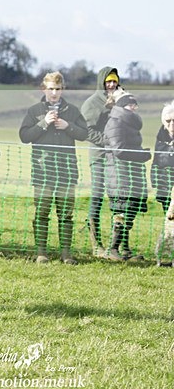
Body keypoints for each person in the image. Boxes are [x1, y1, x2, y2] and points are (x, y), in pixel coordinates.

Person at [19, 72, 88, 264]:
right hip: (43, 172)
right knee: (42, 212)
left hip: (67, 172)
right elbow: (24, 136)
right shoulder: (34, 111)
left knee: (65, 213)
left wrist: (68, 126)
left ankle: (66, 254)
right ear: (44, 89)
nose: (54, 93)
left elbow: (84, 134)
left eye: (57, 89)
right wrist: (43, 123)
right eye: (50, 89)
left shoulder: (73, 111)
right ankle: (41, 253)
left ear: (62, 89)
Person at [103, 92, 150, 261]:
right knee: (121, 211)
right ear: (122, 106)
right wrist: (143, 155)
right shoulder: (115, 122)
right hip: (119, 173)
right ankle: (113, 249)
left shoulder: (129, 122)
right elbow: (120, 150)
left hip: (131, 173)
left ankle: (125, 249)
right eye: (131, 105)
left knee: (130, 211)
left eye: (135, 105)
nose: (134, 108)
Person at [80, 67, 122, 255]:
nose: (111, 85)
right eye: (108, 82)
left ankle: (120, 246)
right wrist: (108, 141)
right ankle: (96, 244)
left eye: (114, 81)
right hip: (99, 157)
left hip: (119, 158)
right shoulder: (91, 103)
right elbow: (86, 130)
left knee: (119, 199)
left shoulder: (122, 99)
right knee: (97, 197)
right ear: (101, 83)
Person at [151, 101, 174, 213]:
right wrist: (155, 180)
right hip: (165, 183)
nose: (172, 124)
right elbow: (156, 160)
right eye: (168, 121)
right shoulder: (160, 137)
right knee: (168, 214)